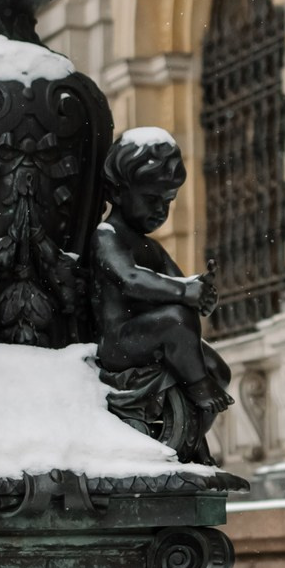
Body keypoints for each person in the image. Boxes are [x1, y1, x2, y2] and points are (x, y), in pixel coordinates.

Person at [88, 128, 232, 427]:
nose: (160, 210)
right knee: (176, 320)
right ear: (117, 191)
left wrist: (199, 290)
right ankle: (199, 387)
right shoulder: (107, 236)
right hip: (119, 341)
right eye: (152, 198)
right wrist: (183, 293)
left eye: (168, 201)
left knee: (218, 369)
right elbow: (130, 278)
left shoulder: (151, 246)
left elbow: (176, 282)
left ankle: (188, 438)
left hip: (151, 334)